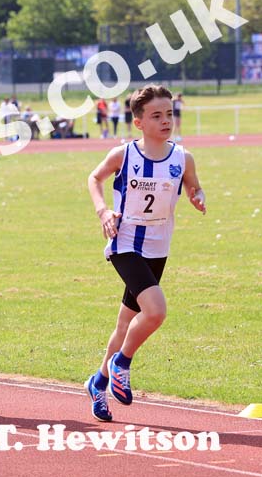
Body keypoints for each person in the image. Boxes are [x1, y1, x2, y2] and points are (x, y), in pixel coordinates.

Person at [84, 84, 206, 422]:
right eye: (156, 115)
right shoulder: (124, 155)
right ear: (139, 122)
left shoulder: (182, 157)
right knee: (155, 312)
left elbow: (194, 184)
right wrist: (103, 211)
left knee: (126, 321)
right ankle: (121, 363)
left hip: (158, 247)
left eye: (169, 113)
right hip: (125, 243)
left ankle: (99, 381)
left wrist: (198, 196)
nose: (166, 120)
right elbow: (94, 178)